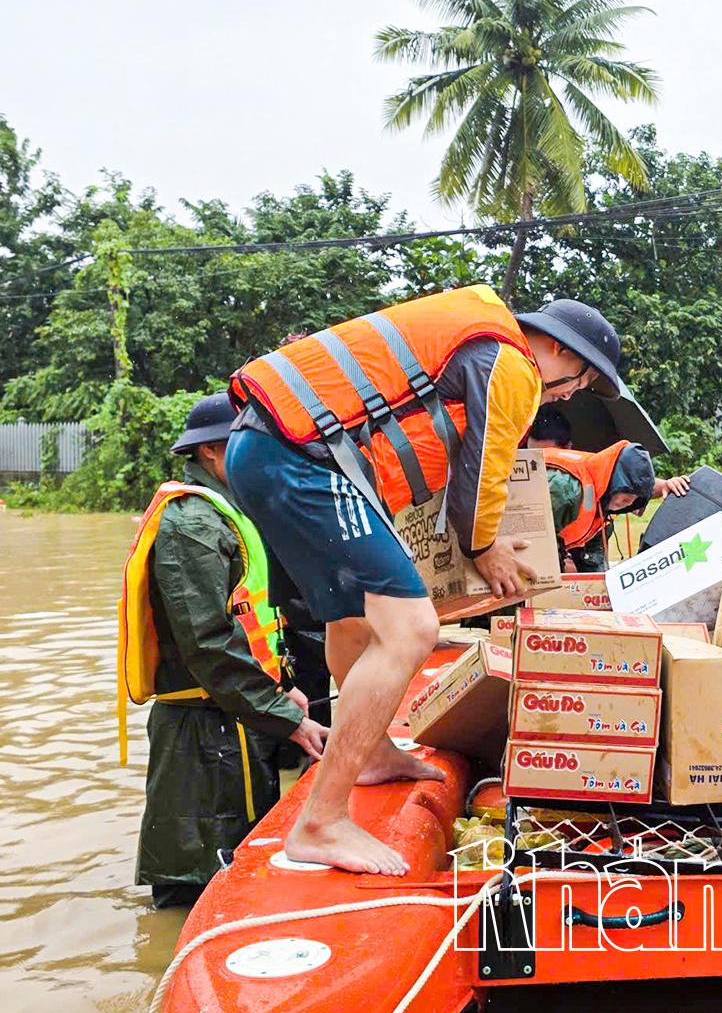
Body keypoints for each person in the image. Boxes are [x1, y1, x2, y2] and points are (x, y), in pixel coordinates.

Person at [225, 287, 622, 875]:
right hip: (304, 457)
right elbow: (485, 470)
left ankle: (372, 752)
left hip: (265, 448)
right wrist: (484, 549)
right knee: (411, 630)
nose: (567, 395)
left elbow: (450, 472)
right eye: (580, 382)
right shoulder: (512, 362)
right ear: (565, 355)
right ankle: (322, 822)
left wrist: (483, 542)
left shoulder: (481, 346)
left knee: (354, 619)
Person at [121, 394, 329, 908]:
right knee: (199, 890)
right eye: (254, 446)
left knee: (234, 875)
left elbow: (244, 623)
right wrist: (284, 714)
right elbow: (209, 643)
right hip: (204, 737)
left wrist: (283, 692)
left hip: (230, 720)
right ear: (215, 452)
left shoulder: (224, 514)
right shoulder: (193, 524)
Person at [544, 442, 688, 571]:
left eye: (635, 498)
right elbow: (538, 539)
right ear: (612, 483)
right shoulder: (569, 491)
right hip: (541, 528)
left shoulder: (604, 484)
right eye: (626, 494)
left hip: (582, 532)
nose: (629, 502)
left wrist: (667, 485)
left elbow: (640, 486)